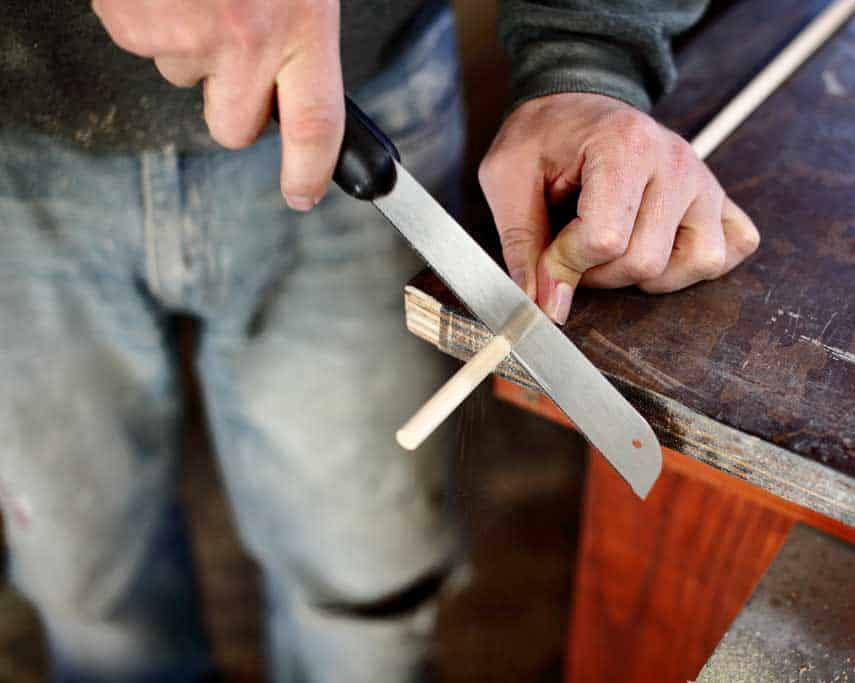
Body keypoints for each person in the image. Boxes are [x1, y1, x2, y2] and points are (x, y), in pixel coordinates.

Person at [0, 0, 759, 680]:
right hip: (17, 126)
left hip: (365, 95)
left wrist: (589, 57)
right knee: (85, 582)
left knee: (369, 587)